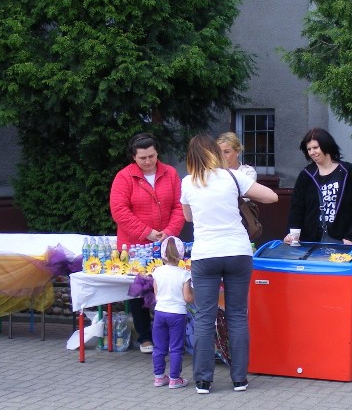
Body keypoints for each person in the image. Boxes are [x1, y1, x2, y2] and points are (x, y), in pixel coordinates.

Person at [180, 134, 278, 394]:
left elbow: (188, 217)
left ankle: (203, 381)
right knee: (236, 315)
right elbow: (271, 197)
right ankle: (239, 379)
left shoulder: (188, 182)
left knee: (204, 317)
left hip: (205, 255)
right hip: (237, 252)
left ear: (191, 158)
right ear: (215, 152)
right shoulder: (233, 177)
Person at [110, 132, 185, 353]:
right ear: (134, 157)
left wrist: (169, 232)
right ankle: (145, 337)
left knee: (168, 287)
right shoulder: (124, 177)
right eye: (142, 158)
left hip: (166, 243)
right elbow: (119, 211)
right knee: (140, 289)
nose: (148, 161)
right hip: (135, 243)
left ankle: (169, 335)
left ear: (157, 153)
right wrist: (146, 232)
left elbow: (180, 207)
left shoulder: (170, 173)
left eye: (151, 156)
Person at [284, 127, 352, 245]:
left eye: (315, 147)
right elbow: (296, 209)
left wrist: (351, 236)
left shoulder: (347, 172)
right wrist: (291, 234)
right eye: (309, 149)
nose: (312, 152)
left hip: (341, 241)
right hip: (311, 242)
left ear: (326, 145)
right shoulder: (306, 175)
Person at [151, 236, 194, 390]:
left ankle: (159, 377)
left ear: (162, 254)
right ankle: (175, 379)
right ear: (182, 254)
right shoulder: (184, 274)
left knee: (159, 347)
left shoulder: (157, 272)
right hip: (177, 314)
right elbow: (188, 297)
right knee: (175, 348)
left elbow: (156, 294)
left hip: (160, 312)